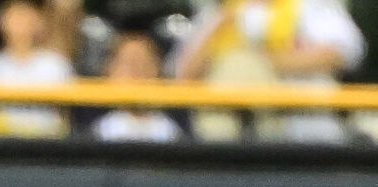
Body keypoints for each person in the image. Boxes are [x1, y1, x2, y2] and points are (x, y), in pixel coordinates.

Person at [175, 0, 366, 143]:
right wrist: (223, 29)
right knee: (237, 65)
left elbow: (341, 52)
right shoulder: (224, 12)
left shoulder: (309, 6)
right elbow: (184, 75)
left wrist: (266, 59)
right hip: (229, 135)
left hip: (302, 131)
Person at [0, 0, 82, 138]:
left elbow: (65, 118)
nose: (20, 24)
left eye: (26, 16)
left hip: (46, 146)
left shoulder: (56, 66)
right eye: (14, 16)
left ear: (40, 21)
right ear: (2, 21)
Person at [90, 28, 185, 142]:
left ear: (159, 71)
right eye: (128, 64)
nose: (136, 73)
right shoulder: (95, 134)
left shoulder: (174, 134)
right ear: (108, 71)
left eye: (144, 64)